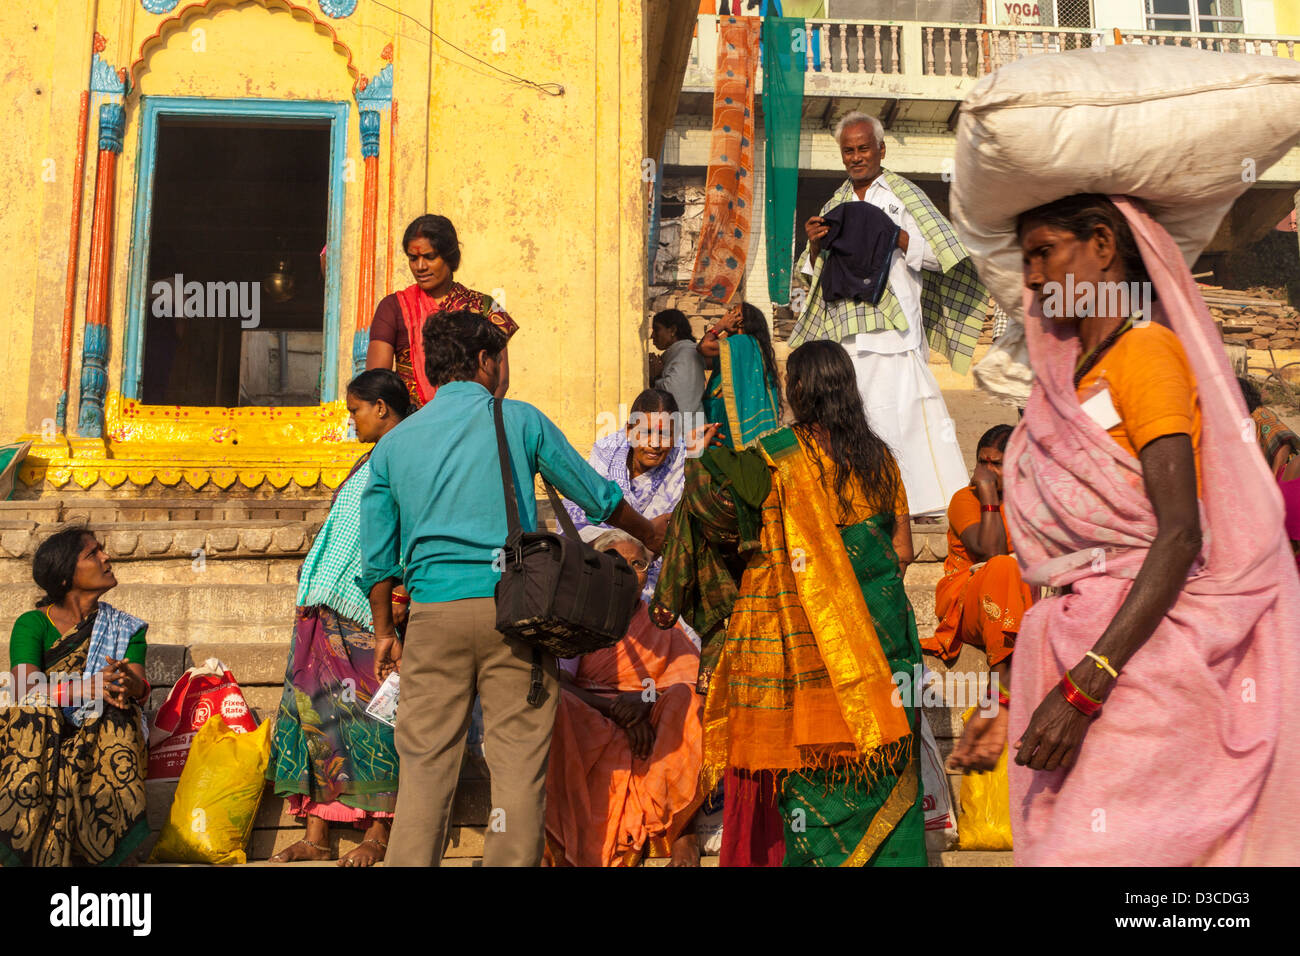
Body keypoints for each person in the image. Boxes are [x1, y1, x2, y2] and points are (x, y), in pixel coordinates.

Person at [1000, 193, 1300, 865]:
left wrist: (1086, 685)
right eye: (1026, 260)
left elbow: (1179, 534)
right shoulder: (1067, 386)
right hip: (1076, 652)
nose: (1033, 278)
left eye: (1045, 252)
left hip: (1135, 663)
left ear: (1103, 247)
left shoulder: (1145, 354)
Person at [359, 310, 670, 867]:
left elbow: (379, 560)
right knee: (518, 773)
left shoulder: (394, 444)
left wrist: (385, 632)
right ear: (485, 361)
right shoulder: (520, 420)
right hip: (517, 616)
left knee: (425, 773)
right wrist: (651, 534)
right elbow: (597, 495)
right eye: (500, 357)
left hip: (432, 618)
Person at [672, 340, 924, 867]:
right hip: (887, 638)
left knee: (814, 775)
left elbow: (713, 511)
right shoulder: (882, 459)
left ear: (800, 390)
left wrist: (699, 455)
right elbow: (902, 551)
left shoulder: (777, 455)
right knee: (885, 773)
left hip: (812, 643)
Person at [792, 111, 984, 518]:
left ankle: (926, 503)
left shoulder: (905, 196)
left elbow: (941, 255)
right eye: (849, 151)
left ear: (880, 149)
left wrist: (895, 236)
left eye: (864, 148)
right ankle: (863, 505)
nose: (857, 157)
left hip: (897, 332)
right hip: (848, 334)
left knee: (908, 413)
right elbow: (814, 274)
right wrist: (812, 244)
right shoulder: (834, 205)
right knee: (852, 414)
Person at [267, 369, 409, 867]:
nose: (351, 422)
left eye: (355, 411)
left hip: (373, 613)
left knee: (375, 721)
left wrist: (396, 607)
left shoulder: (406, 456)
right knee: (318, 719)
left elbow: (405, 533)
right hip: (325, 608)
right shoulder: (368, 459)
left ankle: (378, 834)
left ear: (382, 409)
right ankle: (317, 834)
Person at [544, 530, 705, 867]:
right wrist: (616, 711)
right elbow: (558, 682)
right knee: (554, 705)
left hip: (647, 718)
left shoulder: (659, 622)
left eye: (639, 563)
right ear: (600, 567)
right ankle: (564, 844)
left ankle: (681, 829)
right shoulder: (579, 614)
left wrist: (642, 704)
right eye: (620, 562)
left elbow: (688, 676)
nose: (631, 571)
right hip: (591, 715)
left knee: (688, 699)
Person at [0, 527, 150, 866]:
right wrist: (83, 688)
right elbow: (23, 689)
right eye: (93, 553)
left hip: (99, 730)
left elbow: (139, 686)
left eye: (102, 550)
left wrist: (128, 682)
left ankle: (115, 855)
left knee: (118, 716)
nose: (106, 557)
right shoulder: (32, 624)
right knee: (35, 716)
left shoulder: (125, 628)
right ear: (67, 575)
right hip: (43, 733)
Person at [927, 423, 1031, 771]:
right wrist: (989, 501)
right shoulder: (964, 499)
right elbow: (990, 551)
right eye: (983, 462)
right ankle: (1002, 684)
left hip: (1015, 597)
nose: (989, 471)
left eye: (998, 463)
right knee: (1003, 567)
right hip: (965, 596)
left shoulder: (1030, 499)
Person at [562, 388, 716, 603]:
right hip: (600, 566)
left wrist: (697, 462)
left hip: (657, 580)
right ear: (629, 431)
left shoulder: (684, 460)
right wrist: (639, 535)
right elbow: (576, 523)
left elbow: (679, 534)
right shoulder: (606, 452)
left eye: (665, 434)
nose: (655, 444)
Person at [366, 214, 517, 409]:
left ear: (450, 257)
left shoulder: (485, 306)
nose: (420, 267)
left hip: (474, 419)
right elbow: (378, 382)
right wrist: (422, 419)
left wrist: (471, 419)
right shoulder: (393, 307)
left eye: (429, 257)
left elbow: (501, 380)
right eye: (413, 258)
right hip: (413, 424)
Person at [698, 301, 782, 449]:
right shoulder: (741, 345)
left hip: (726, 417)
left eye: (733, 311)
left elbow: (704, 347)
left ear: (741, 321)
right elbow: (706, 361)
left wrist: (721, 325)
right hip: (719, 412)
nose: (728, 314)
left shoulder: (741, 342)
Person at [649, 308, 707, 419]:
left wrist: (656, 375)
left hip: (690, 428)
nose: (652, 336)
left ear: (672, 330)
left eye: (657, 330)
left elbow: (678, 398)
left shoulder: (687, 354)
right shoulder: (677, 354)